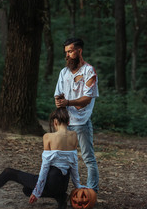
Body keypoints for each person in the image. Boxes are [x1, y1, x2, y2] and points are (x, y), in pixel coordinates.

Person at [0, 108, 85, 209]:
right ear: (68, 122)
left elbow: (45, 168)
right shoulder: (74, 136)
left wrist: (37, 192)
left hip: (50, 184)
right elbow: (74, 164)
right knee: (26, 190)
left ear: (55, 122)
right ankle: (60, 196)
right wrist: (78, 186)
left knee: (8, 172)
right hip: (62, 186)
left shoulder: (48, 137)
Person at [54, 38, 99, 193]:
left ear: (79, 51)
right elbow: (58, 95)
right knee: (63, 159)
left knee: (88, 158)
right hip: (64, 122)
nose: (67, 55)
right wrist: (59, 105)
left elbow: (85, 100)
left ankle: (91, 191)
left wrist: (66, 103)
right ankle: (60, 190)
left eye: (70, 51)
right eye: (66, 52)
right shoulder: (64, 72)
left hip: (81, 122)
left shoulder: (89, 72)